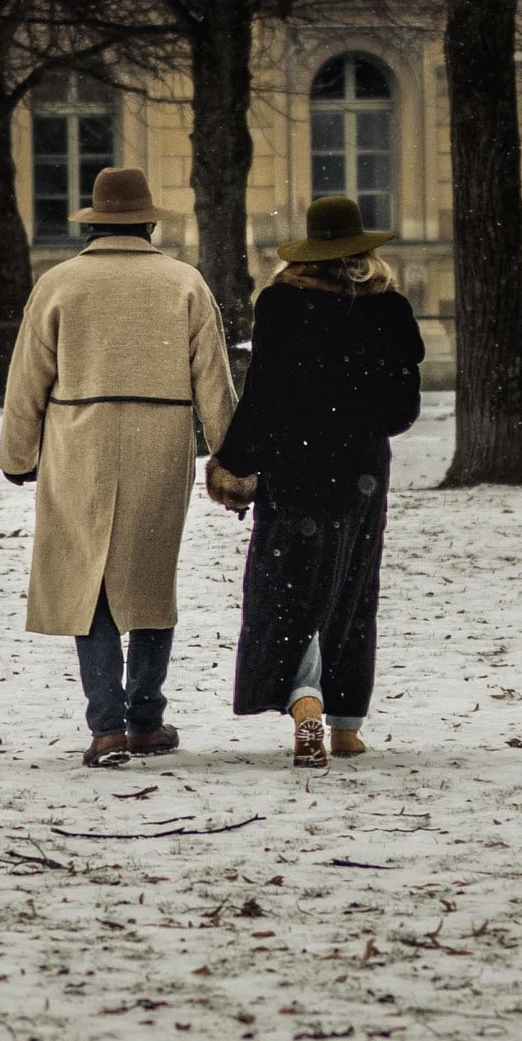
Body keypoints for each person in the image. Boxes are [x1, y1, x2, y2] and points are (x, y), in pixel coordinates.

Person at [0, 167, 236, 768]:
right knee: (151, 578)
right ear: (150, 222)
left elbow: (28, 378)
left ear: (94, 222)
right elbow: (214, 382)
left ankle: (106, 726)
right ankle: (146, 718)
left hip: (79, 441)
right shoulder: (183, 282)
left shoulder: (60, 283)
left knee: (90, 578)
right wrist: (231, 464)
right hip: (161, 440)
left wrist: (17, 455)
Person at [206, 195, 424, 768]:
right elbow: (402, 411)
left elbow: (265, 396)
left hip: (296, 464)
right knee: (353, 587)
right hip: (361, 470)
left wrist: (232, 460)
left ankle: (305, 703)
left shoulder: (281, 305)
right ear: (361, 250)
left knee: (291, 587)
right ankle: (348, 726)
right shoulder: (390, 309)